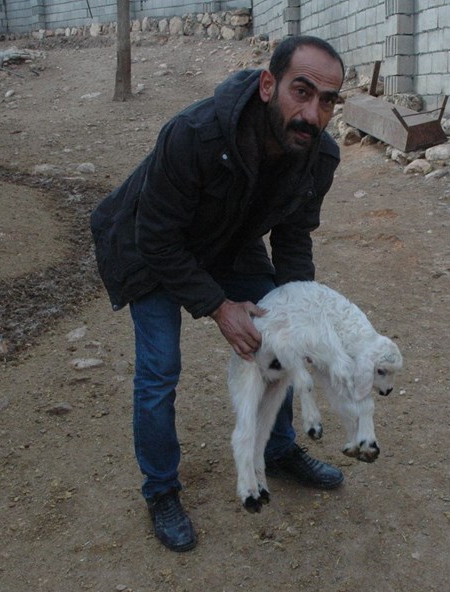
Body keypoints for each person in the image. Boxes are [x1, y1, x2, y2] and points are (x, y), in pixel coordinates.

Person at [90, 35, 347, 552]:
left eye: (327, 101)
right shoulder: (194, 134)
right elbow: (157, 236)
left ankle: (278, 451)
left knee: (281, 342)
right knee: (160, 371)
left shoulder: (318, 155)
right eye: (302, 91)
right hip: (153, 247)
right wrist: (217, 306)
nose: (312, 112)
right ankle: (161, 490)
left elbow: (293, 236)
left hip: (230, 241)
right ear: (268, 84)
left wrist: (300, 308)